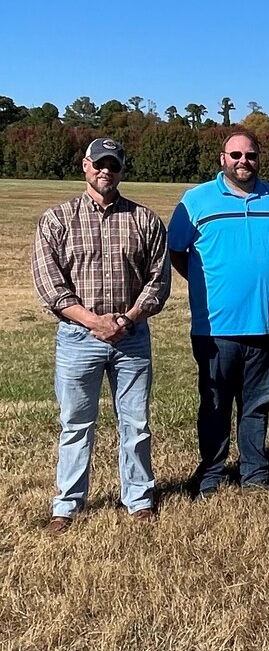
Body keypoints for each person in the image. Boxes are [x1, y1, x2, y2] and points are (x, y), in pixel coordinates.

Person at [31, 138, 170, 533]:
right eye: (99, 164)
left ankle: (139, 499)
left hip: (132, 338)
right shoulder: (57, 220)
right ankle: (67, 504)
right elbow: (51, 287)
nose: (105, 171)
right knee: (76, 423)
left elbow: (158, 283)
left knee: (136, 423)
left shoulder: (144, 220)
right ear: (85, 166)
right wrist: (94, 322)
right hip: (77, 339)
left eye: (114, 164)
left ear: (122, 170)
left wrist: (125, 321)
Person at [167, 130, 269, 498]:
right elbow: (177, 252)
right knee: (215, 405)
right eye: (236, 154)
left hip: (266, 324)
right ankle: (211, 474)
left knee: (257, 405)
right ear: (222, 158)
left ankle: (254, 473)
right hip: (215, 327)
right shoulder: (196, 201)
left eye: (251, 155)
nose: (244, 161)